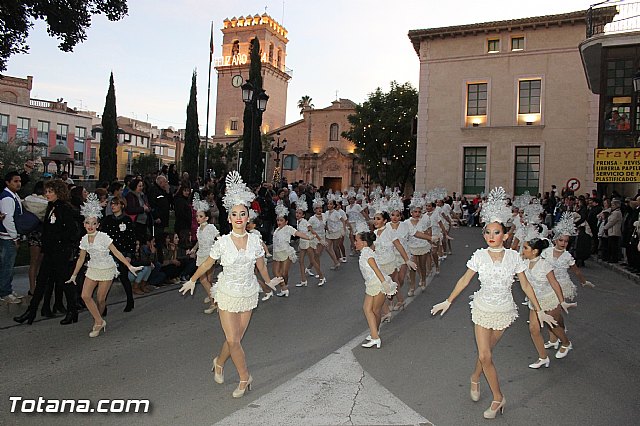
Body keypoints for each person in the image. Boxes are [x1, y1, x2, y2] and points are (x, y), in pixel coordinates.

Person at [431, 187, 557, 420]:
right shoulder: (479, 255)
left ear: (505, 235)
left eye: (496, 232)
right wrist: (448, 301)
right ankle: (499, 398)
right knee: (486, 355)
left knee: (486, 352)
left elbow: (526, 286)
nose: (491, 236)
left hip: (504, 311)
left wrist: (539, 311)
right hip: (482, 308)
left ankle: (475, 377)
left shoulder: (514, 257)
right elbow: (465, 279)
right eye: (487, 231)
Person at [179, 171, 283, 398]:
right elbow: (207, 263)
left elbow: (261, 266)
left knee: (234, 339)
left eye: (242, 214)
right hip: (226, 292)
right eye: (234, 214)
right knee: (234, 339)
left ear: (248, 217)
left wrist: (268, 282)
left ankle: (218, 361)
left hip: (248, 293)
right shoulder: (223, 242)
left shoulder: (255, 239)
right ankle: (245, 378)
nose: (238, 217)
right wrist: (193, 280)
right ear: (228, 218)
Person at [66, 193, 142, 337]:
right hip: (93, 268)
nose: (90, 226)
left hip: (106, 268)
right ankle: (99, 321)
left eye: (94, 223)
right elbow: (81, 259)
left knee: (101, 299)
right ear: (84, 224)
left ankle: (98, 321)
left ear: (98, 225)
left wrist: (129, 265)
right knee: (85, 295)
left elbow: (117, 252)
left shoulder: (103, 237)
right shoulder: (84, 239)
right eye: (88, 223)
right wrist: (74, 274)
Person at [14, 180, 79, 325]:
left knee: (65, 282)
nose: (47, 194)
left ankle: (72, 311)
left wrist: (58, 240)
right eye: (46, 191)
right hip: (50, 252)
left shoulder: (65, 208)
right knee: (41, 282)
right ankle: (30, 312)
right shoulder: (50, 206)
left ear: (58, 192)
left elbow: (72, 232)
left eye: (50, 191)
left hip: (60, 252)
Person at [521, 236, 576, 369]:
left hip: (550, 298)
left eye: (525, 248)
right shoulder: (523, 263)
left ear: (534, 251)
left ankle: (566, 343)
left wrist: (562, 301)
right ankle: (543, 358)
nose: (522, 250)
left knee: (552, 325)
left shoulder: (545, 264)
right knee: (534, 329)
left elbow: (554, 283)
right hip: (535, 301)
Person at [542, 212, 594, 349]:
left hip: (562, 286)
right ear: (555, 240)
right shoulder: (546, 252)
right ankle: (554, 338)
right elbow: (538, 266)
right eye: (561, 240)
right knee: (553, 314)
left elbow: (576, 270)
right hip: (547, 285)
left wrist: (583, 281)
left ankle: (563, 340)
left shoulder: (567, 256)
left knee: (552, 315)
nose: (564, 243)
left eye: (566, 241)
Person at [356, 231, 398, 349]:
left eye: (356, 241)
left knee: (372, 310)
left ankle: (375, 337)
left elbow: (375, 269)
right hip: (372, 283)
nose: (355, 243)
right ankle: (375, 333)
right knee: (371, 310)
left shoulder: (366, 254)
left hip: (377, 283)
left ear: (364, 243)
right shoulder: (367, 251)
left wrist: (385, 284)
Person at [100, 195, 138, 312]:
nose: (113, 206)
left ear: (121, 205)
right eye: (112, 204)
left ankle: (130, 300)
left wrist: (129, 255)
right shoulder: (107, 220)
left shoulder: (126, 220)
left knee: (123, 277)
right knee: (106, 278)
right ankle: (103, 305)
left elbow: (131, 239)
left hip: (122, 252)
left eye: (116, 204)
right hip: (109, 253)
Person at [271, 200, 311, 297]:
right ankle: (284, 288)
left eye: (281, 220)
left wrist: (308, 237)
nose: (279, 222)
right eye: (278, 220)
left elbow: (298, 233)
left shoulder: (288, 228)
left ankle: (284, 287)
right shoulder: (276, 230)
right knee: (276, 272)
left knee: (284, 273)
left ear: (286, 221)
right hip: (276, 253)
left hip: (286, 252)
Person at [187, 193, 220, 313]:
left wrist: (221, 250)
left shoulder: (210, 227)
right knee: (208, 280)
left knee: (203, 280)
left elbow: (219, 238)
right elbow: (199, 242)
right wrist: (194, 249)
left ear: (206, 218)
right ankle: (213, 296)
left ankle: (214, 302)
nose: (198, 218)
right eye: (197, 216)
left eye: (200, 216)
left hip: (209, 256)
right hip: (201, 255)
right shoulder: (198, 229)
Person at [0, 171, 23, 304]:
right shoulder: (7, 197)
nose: (18, 183)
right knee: (7, 265)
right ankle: (5, 292)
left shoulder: (13, 195)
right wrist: (15, 237)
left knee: (8, 265)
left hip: (10, 236)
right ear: (8, 182)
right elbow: (7, 219)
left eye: (19, 181)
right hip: (7, 238)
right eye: (15, 181)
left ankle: (7, 288)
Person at [294, 195, 325, 288]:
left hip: (308, 243)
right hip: (302, 243)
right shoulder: (298, 222)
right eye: (296, 213)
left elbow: (313, 231)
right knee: (301, 261)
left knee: (313, 260)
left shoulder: (305, 222)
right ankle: (303, 280)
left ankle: (321, 277)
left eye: (299, 213)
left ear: (303, 215)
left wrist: (321, 240)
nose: (297, 215)